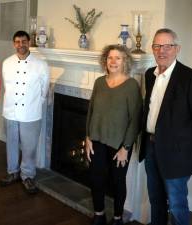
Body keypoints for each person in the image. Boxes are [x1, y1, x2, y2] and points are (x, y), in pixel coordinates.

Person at [139, 28, 192, 225]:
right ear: (152, 49)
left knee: (177, 204)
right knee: (156, 199)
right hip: (151, 147)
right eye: (157, 46)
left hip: (177, 154)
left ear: (177, 49)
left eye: (168, 46)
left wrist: (185, 149)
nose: (162, 50)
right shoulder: (150, 75)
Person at [85, 45, 142, 225]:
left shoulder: (132, 85)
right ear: (105, 60)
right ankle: (99, 214)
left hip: (120, 144)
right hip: (96, 139)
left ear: (125, 61)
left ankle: (117, 218)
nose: (113, 61)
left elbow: (136, 119)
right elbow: (91, 111)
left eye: (118, 58)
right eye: (110, 58)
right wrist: (87, 137)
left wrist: (126, 147)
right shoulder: (99, 82)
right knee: (96, 179)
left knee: (118, 181)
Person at [0, 30, 50, 194]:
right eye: (17, 42)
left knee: (29, 147)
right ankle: (12, 172)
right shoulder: (6, 63)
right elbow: (7, 87)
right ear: (14, 44)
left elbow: (44, 89)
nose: (21, 45)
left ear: (29, 42)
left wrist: (35, 104)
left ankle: (27, 175)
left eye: (23, 41)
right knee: (12, 144)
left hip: (31, 112)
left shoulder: (41, 64)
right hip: (11, 111)